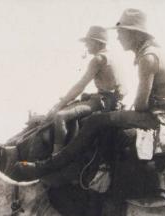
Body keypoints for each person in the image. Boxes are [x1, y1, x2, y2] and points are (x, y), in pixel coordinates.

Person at [13, 9, 165, 208]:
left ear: (134, 34)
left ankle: (50, 167)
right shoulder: (153, 53)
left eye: (122, 32)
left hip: (160, 117)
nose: (118, 37)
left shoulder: (147, 58)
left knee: (95, 121)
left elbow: (140, 105)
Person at [46, 25, 126, 154]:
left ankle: (56, 158)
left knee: (60, 116)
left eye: (88, 42)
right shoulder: (113, 57)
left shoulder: (98, 59)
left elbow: (80, 85)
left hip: (103, 102)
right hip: (113, 101)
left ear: (96, 42)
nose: (86, 46)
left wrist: (60, 104)